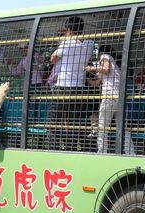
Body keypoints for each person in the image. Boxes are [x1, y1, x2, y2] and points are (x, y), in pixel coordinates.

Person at [47, 16, 95, 150]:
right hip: (79, 88)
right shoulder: (90, 44)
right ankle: (71, 148)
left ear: (69, 29)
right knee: (75, 122)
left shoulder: (66, 43)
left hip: (62, 87)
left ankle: (53, 149)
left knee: (54, 121)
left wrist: (61, 40)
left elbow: (52, 59)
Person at [85, 45, 135, 154]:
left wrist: (91, 68)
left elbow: (105, 70)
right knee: (122, 128)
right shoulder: (115, 67)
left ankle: (102, 152)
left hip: (109, 96)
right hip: (119, 98)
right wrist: (86, 78)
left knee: (102, 127)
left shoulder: (105, 56)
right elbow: (97, 83)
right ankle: (131, 153)